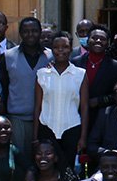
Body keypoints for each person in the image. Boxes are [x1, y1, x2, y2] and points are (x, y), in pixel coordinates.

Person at [34, 30, 89, 169]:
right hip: (46, 127)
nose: (60, 50)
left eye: (64, 47)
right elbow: (37, 107)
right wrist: (35, 136)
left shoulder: (80, 74)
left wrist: (83, 137)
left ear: (70, 48)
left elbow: (84, 107)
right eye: (56, 47)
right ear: (52, 49)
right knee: (47, 169)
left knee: (68, 169)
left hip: (71, 129)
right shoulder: (42, 74)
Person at [0, 16, 51, 156]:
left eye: (34, 31)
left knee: (42, 159)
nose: (30, 34)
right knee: (19, 159)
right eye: (26, 31)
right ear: (20, 33)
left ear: (40, 32)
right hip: (17, 119)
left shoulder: (50, 56)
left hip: (45, 118)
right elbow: (3, 87)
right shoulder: (8, 56)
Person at [72, 26, 117, 128]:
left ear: (108, 43)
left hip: (103, 119)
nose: (98, 41)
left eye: (103, 39)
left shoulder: (115, 67)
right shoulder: (75, 62)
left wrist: (99, 101)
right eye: (94, 38)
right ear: (88, 40)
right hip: (76, 117)